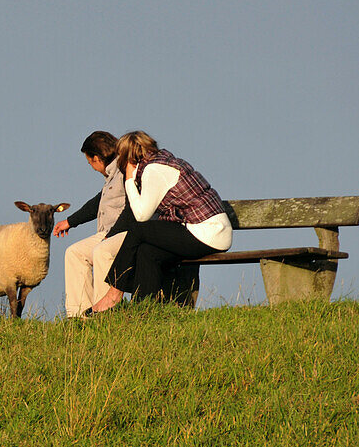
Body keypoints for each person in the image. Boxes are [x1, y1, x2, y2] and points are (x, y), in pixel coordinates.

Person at [88, 131, 232, 315]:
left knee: (138, 230)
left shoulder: (153, 171)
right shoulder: (163, 162)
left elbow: (141, 216)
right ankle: (142, 310)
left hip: (207, 232)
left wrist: (129, 180)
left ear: (127, 158)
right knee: (147, 252)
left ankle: (113, 294)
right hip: (209, 231)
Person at [53, 131, 128, 318]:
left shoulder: (126, 170)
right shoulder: (112, 175)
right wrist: (70, 222)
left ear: (96, 158)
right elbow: (98, 202)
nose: (92, 167)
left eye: (90, 163)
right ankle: (78, 316)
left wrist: (112, 233)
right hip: (107, 233)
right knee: (74, 252)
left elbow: (133, 208)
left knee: (100, 251)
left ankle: (104, 314)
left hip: (125, 232)